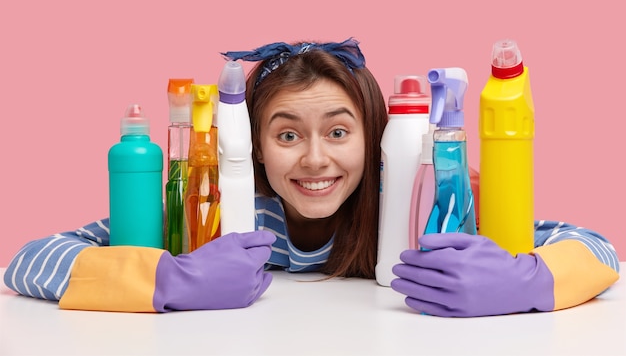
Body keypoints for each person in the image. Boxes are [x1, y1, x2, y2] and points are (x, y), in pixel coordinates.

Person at [3, 38, 620, 316]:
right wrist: (168, 277)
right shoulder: (220, 215)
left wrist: (527, 280)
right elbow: (27, 262)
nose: (316, 160)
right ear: (257, 150)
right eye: (288, 135)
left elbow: (598, 249)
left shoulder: (418, 214)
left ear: (375, 137)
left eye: (339, 131)